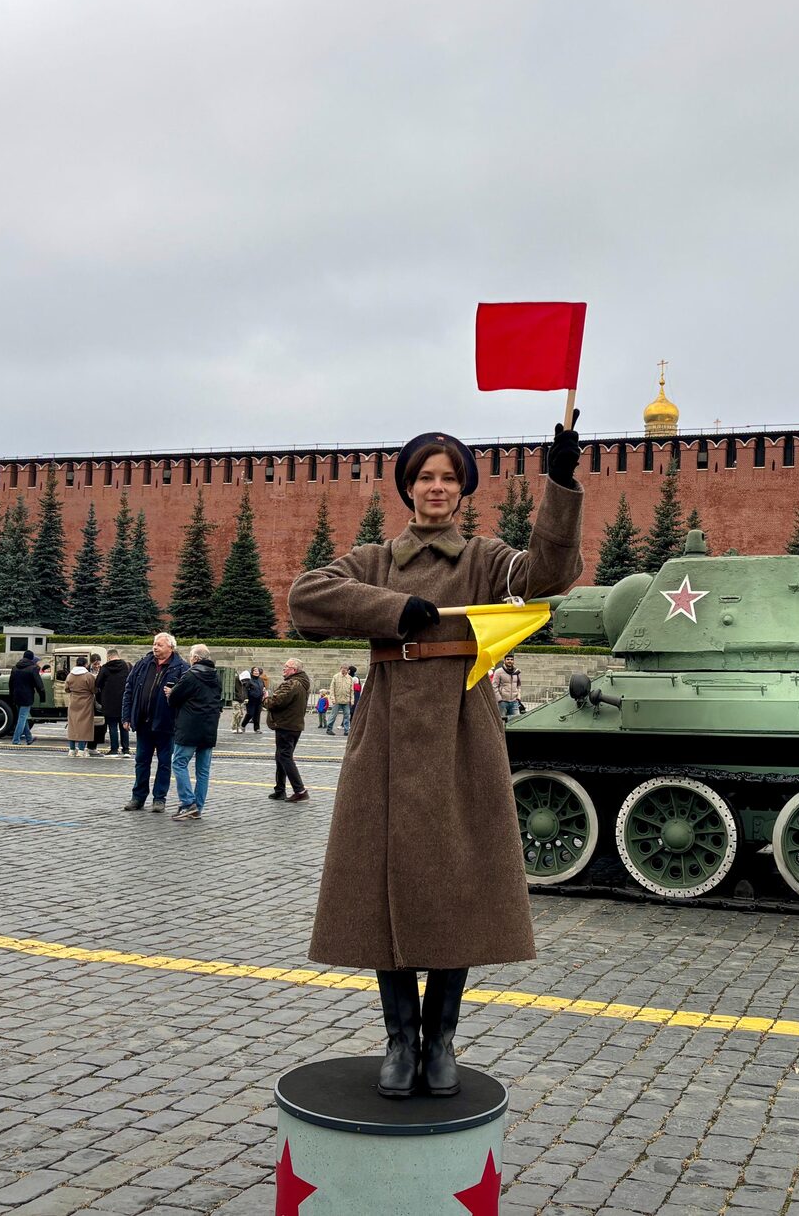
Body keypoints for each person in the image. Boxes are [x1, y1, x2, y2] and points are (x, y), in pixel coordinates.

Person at [288, 417, 583, 1098]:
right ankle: (399, 1040)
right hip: (386, 732)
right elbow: (306, 598)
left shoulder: (484, 558)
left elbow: (548, 575)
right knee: (379, 888)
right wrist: (397, 609)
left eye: (450, 478)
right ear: (407, 488)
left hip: (462, 732)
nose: (437, 488)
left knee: (457, 887)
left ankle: (442, 1038)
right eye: (426, 477)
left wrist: (561, 484)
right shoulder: (372, 559)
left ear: (465, 490)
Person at [120, 632, 188, 810]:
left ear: (170, 647)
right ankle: (138, 797)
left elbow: (186, 697)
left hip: (167, 724)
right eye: (154, 644)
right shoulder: (143, 664)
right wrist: (126, 716)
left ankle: (159, 799)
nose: (155, 647)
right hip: (143, 722)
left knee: (164, 763)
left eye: (159, 644)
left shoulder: (181, 668)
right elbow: (129, 690)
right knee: (141, 761)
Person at [168, 643, 222, 820]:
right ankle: (198, 806)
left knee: (178, 762)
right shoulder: (216, 676)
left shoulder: (191, 675)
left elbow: (175, 698)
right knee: (203, 771)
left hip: (190, 727)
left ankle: (188, 802)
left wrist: (170, 692)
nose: (190, 659)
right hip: (209, 728)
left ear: (196, 658)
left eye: (191, 656)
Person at [262, 657, 311, 802]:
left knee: (284, 757)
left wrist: (265, 698)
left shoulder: (291, 684)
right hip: (294, 725)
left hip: (286, 725)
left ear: (294, 670)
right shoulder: (302, 683)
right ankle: (280, 789)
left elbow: (275, 702)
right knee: (281, 757)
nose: (283, 669)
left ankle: (300, 790)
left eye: (286, 667)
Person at [94, 648, 131, 756]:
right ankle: (126, 749)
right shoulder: (127, 666)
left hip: (109, 702)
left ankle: (114, 749)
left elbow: (98, 683)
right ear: (117, 655)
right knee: (124, 725)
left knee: (112, 726)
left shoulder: (105, 668)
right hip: (124, 701)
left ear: (109, 657)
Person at [9, 650, 45, 745]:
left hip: (16, 695)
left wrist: (11, 695)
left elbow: (11, 683)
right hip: (27, 696)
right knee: (22, 718)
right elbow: (39, 684)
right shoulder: (33, 668)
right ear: (31, 658)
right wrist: (42, 696)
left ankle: (29, 738)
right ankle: (16, 740)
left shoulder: (15, 668)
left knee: (22, 717)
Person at [65, 658, 96, 757]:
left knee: (73, 725)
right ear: (86, 664)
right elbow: (94, 689)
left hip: (73, 701)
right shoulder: (88, 676)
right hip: (86, 702)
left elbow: (67, 689)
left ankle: (72, 749)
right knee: (84, 725)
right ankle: (81, 750)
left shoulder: (70, 675)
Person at [492, 655, 523, 719]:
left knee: (515, 720)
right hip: (503, 702)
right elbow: (494, 686)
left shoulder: (517, 672)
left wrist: (518, 697)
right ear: (504, 661)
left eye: (511, 660)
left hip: (514, 701)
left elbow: (519, 685)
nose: (510, 661)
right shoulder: (498, 671)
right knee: (501, 720)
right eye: (508, 659)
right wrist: (499, 699)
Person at [327, 665, 355, 735]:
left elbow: (352, 690)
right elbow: (332, 688)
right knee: (333, 715)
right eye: (342, 668)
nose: (343, 670)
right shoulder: (335, 677)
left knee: (347, 716)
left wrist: (352, 700)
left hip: (346, 700)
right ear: (340, 669)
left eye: (345, 668)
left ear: (348, 670)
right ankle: (329, 729)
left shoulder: (350, 678)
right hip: (337, 700)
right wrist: (332, 698)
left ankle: (346, 730)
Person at [240, 665, 266, 732]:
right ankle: (243, 725)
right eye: (255, 671)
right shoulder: (249, 680)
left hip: (259, 700)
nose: (256, 672)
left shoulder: (261, 680)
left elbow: (264, 687)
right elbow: (245, 689)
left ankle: (257, 728)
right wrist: (246, 698)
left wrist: (264, 691)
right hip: (251, 700)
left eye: (257, 670)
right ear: (252, 672)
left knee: (257, 714)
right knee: (250, 713)